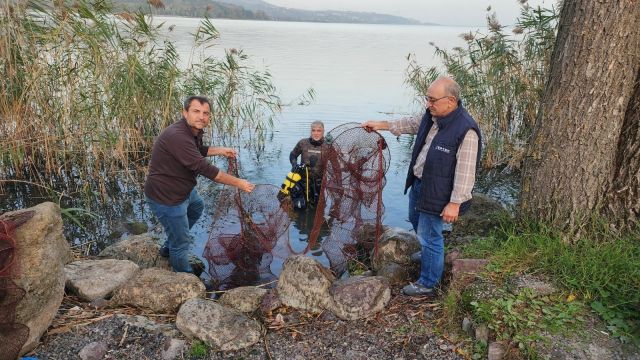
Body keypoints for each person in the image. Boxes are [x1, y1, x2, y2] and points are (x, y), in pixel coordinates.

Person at [362, 76, 482, 297]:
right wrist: (381, 125)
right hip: (419, 185)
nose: (428, 103)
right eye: (427, 98)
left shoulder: (466, 130)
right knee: (416, 221)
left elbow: (466, 173)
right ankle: (429, 254)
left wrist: (455, 203)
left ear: (451, 101)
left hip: (439, 193)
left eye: (433, 100)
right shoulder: (432, 116)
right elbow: (409, 123)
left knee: (430, 236)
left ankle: (428, 283)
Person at [144, 95, 255, 274]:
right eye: (196, 111)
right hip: (167, 198)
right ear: (185, 113)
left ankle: (168, 247)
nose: (201, 117)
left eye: (205, 113)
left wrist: (221, 150)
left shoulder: (192, 132)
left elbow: (197, 151)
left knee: (196, 207)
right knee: (182, 243)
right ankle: (184, 278)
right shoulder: (177, 136)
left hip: (182, 190)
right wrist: (239, 183)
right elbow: (207, 170)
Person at [288, 121, 328, 206]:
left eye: (319, 130)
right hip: (302, 182)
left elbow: (336, 166)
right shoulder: (303, 143)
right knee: (299, 207)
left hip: (319, 184)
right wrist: (294, 164)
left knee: (318, 207)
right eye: (313, 130)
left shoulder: (328, 146)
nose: (316, 133)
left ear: (323, 131)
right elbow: (293, 155)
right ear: (310, 131)